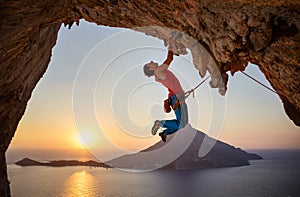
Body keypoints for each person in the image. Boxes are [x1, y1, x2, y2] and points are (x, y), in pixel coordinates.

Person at [143, 50, 188, 142]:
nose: (151, 61)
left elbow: (170, 58)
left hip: (177, 96)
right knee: (182, 124)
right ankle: (159, 123)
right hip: (176, 97)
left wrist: (173, 51)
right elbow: (169, 59)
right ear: (151, 68)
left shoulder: (159, 72)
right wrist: (170, 45)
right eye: (149, 63)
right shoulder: (158, 71)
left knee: (183, 123)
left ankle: (165, 132)